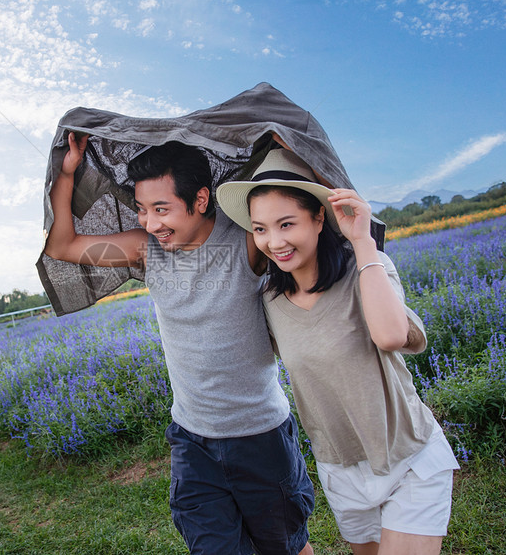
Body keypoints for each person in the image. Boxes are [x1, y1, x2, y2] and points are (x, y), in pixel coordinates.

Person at [44, 132, 315, 555]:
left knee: (287, 547)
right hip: (192, 442)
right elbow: (62, 246)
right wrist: (66, 175)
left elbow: (300, 216)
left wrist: (291, 148)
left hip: (260, 437)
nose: (150, 223)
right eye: (142, 209)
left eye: (161, 209)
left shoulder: (248, 241)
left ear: (201, 199)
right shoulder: (146, 251)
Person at [216, 148, 460, 555]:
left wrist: (362, 242)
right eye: (260, 229)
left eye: (286, 224)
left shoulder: (367, 269)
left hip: (408, 456)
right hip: (340, 468)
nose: (274, 242)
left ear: (318, 219)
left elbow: (390, 336)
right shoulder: (270, 301)